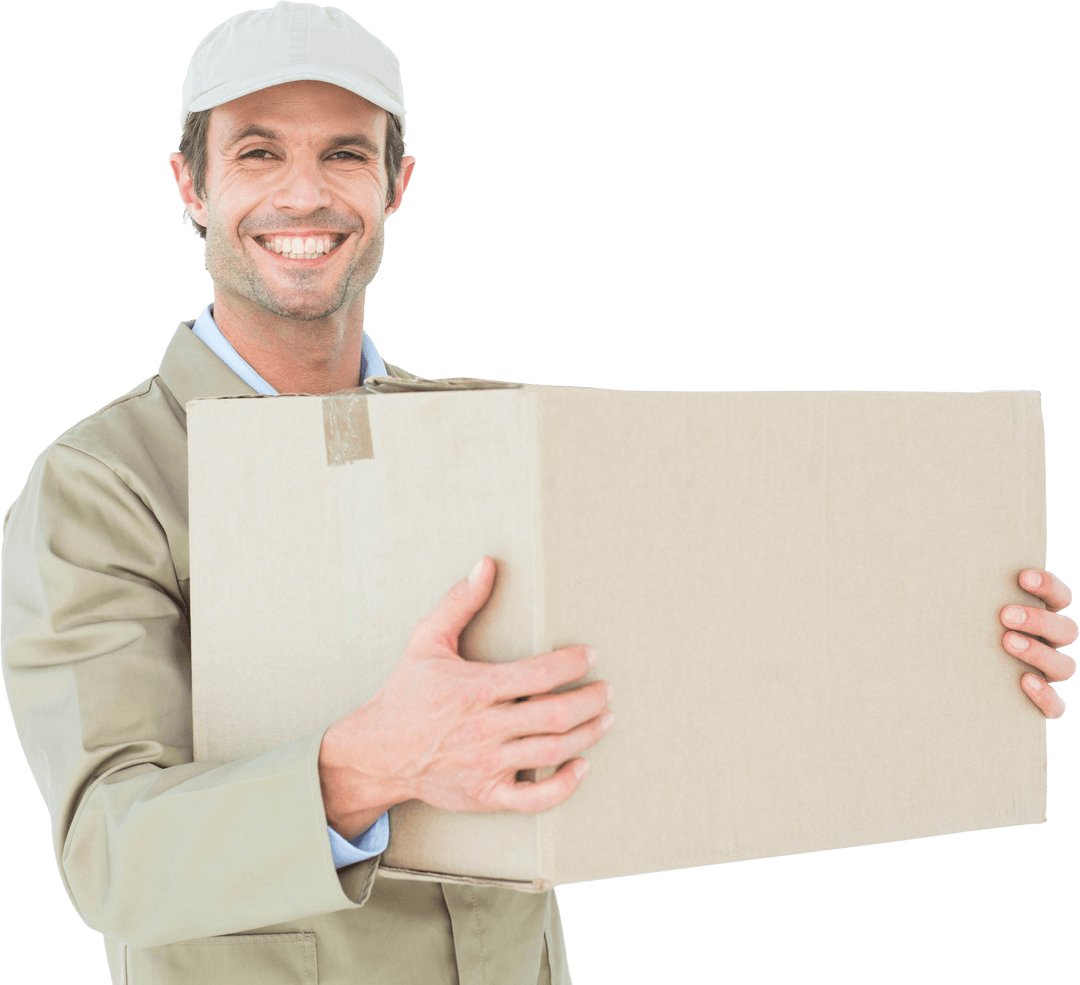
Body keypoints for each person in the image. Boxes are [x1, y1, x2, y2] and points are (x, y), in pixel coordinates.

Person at [0, 3, 1073, 984]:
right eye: (257, 151)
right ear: (192, 187)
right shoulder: (102, 486)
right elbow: (108, 851)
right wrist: (370, 764)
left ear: (396, 184)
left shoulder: (488, 438)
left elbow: (705, 628)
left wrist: (950, 637)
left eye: (344, 153)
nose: (303, 193)